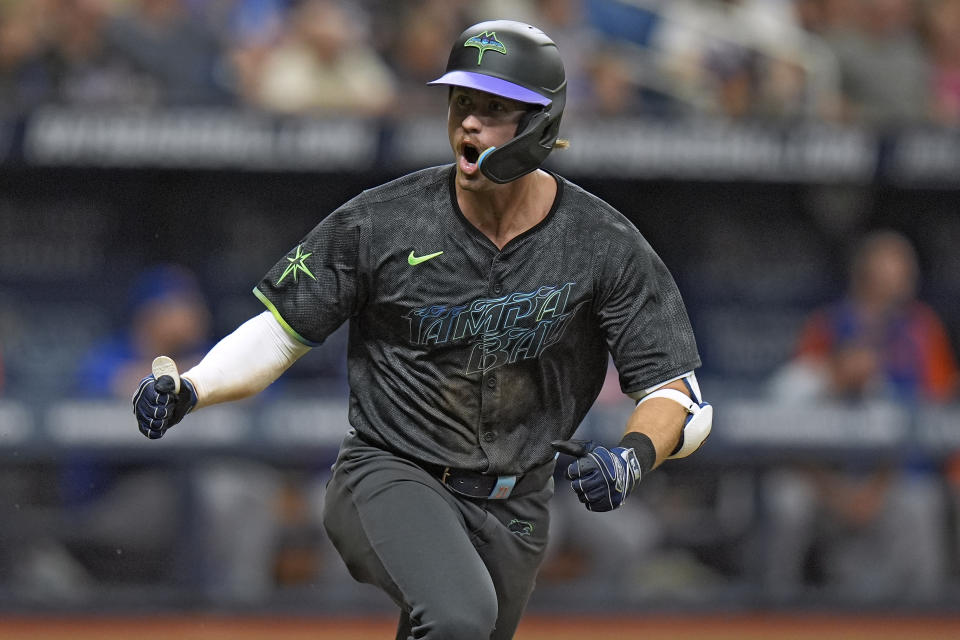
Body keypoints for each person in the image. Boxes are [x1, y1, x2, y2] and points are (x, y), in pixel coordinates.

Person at [132, 20, 711, 639]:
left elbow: (677, 395)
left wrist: (632, 456)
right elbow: (280, 333)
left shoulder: (605, 243)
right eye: (462, 103)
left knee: (462, 630)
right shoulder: (382, 220)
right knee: (459, 620)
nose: (469, 123)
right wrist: (192, 388)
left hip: (517, 502)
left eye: (494, 110)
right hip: (390, 472)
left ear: (542, 123)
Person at [764, 229, 958, 602]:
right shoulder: (825, 330)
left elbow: (935, 406)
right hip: (822, 477)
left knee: (921, 505)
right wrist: (835, 492)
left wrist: (874, 489)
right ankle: (769, 610)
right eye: (887, 276)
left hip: (891, 476)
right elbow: (787, 424)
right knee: (786, 501)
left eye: (903, 275)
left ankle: (919, 619)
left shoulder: (920, 330)